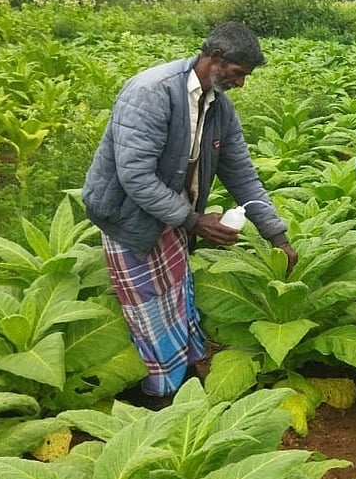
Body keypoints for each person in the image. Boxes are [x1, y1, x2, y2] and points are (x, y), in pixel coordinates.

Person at [82, 21, 297, 406]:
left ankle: (179, 375)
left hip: (174, 216)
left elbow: (242, 174)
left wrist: (276, 235)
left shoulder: (219, 108)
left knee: (177, 298)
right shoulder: (152, 92)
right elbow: (135, 177)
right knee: (147, 306)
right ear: (215, 57)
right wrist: (195, 221)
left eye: (246, 76)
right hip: (128, 217)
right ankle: (158, 392)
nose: (241, 83)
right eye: (238, 73)